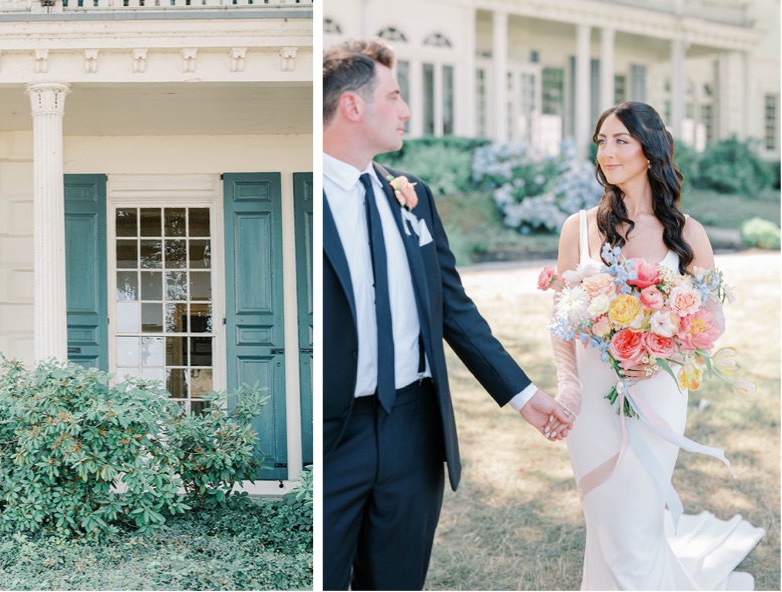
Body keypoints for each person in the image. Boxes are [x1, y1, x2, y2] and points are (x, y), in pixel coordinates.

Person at [319, 37, 571, 590]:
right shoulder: (306, 197)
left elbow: (453, 309)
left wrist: (524, 397)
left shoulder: (413, 197)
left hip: (413, 429)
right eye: (395, 96)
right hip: (332, 435)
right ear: (353, 106)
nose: (407, 111)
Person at [549, 101, 763, 590]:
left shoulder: (687, 233)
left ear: (650, 150)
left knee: (635, 531)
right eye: (601, 141)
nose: (608, 151)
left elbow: (712, 319)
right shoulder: (578, 229)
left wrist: (662, 344)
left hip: (657, 397)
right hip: (591, 405)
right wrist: (568, 387)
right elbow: (560, 320)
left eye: (621, 140)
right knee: (606, 526)